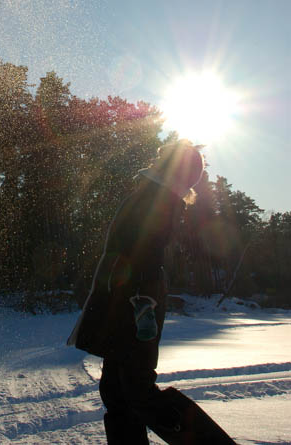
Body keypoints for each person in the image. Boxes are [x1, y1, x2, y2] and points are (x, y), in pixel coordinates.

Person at [68, 140, 235, 444]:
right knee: (117, 393)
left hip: (135, 303)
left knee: (137, 391)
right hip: (125, 302)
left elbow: (145, 256)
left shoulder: (157, 199)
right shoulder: (151, 194)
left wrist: (141, 306)